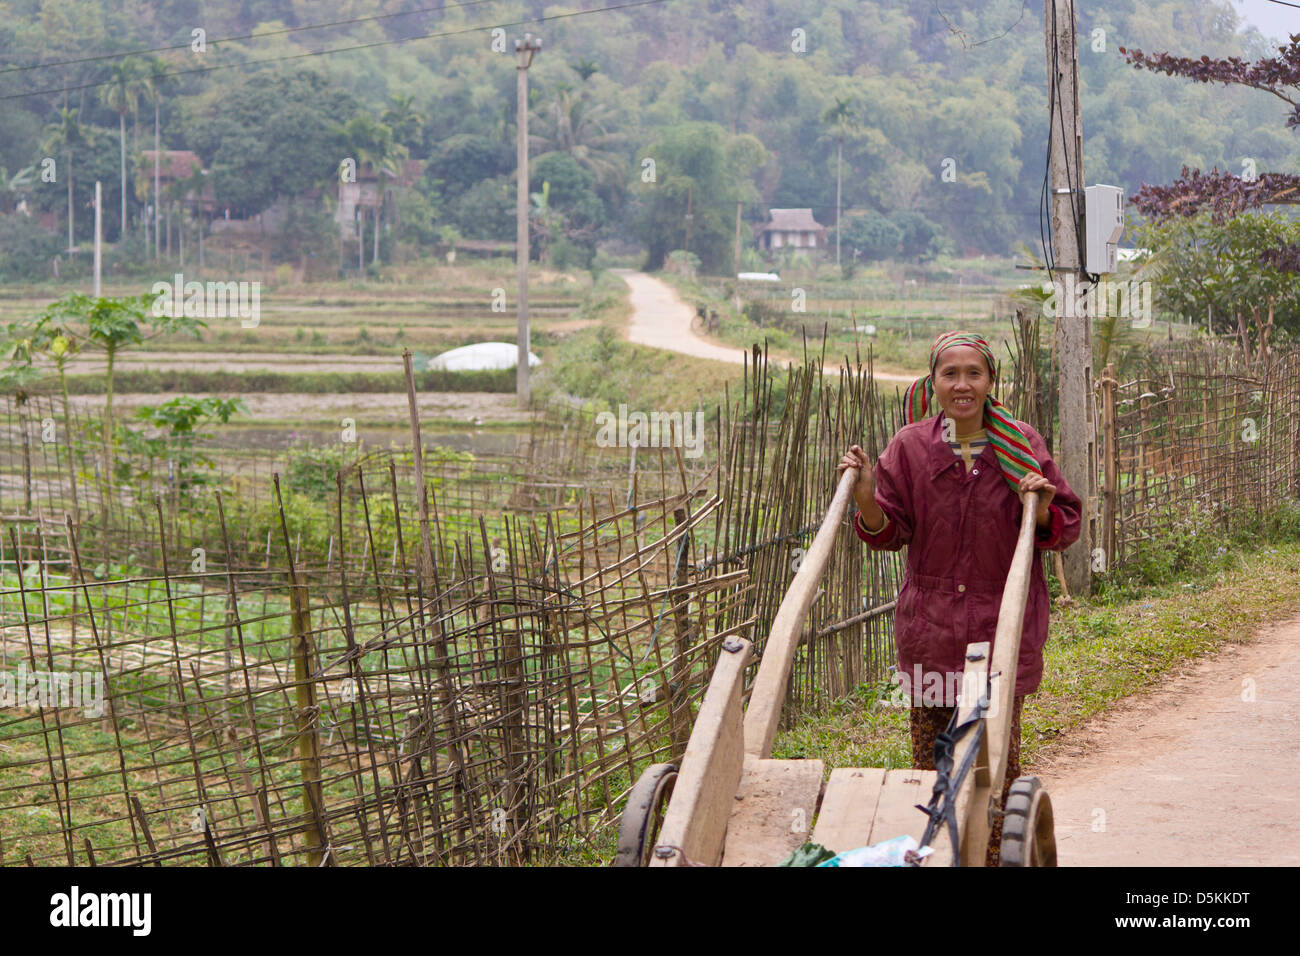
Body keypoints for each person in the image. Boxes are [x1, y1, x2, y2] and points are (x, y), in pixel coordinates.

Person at [837, 329, 1081, 865]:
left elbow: (1063, 526)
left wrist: (1037, 501)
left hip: (1001, 627)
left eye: (974, 373)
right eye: (951, 374)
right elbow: (888, 531)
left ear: (991, 381)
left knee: (992, 773)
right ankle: (936, 858)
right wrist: (865, 496)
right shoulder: (910, 447)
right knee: (933, 772)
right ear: (934, 382)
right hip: (931, 632)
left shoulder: (1022, 445)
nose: (962, 384)